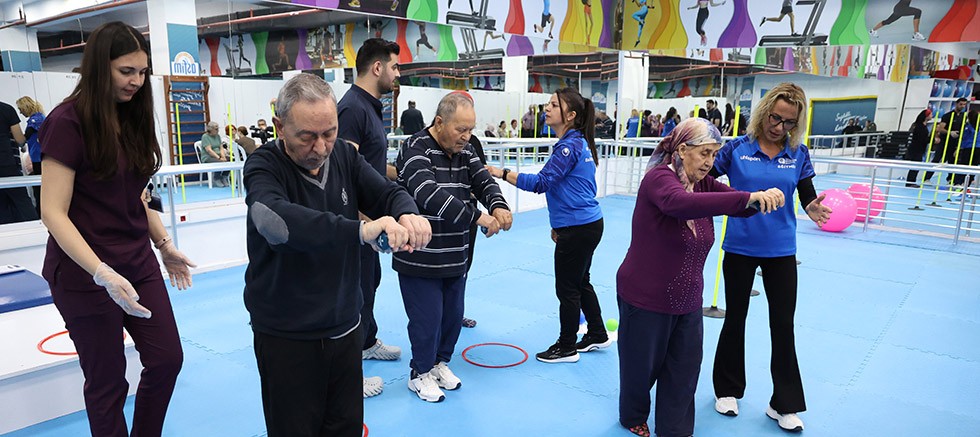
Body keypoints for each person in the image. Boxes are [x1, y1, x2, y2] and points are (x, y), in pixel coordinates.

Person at [243, 72, 430, 434]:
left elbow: (385, 192)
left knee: (345, 427)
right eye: (307, 136)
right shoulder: (264, 166)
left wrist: (407, 210)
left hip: (345, 326)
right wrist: (360, 230)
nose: (320, 147)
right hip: (287, 334)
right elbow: (275, 221)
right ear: (280, 126)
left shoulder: (343, 154)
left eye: (329, 132)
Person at [38, 21, 195, 436]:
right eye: (127, 71)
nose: (137, 82)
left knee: (167, 360)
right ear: (98, 67)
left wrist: (163, 243)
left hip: (137, 262)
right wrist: (100, 272)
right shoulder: (67, 122)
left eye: (143, 72)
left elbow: (137, 195)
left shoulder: (133, 117)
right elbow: (53, 212)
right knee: (107, 383)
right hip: (82, 273)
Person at [616, 117, 783, 437]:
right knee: (640, 368)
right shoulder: (659, 179)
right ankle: (632, 414)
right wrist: (746, 198)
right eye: (704, 153)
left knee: (683, 370)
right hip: (645, 296)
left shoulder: (703, 183)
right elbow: (678, 203)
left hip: (688, 299)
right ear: (682, 149)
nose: (710, 162)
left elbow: (734, 202)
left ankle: (675, 430)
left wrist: (760, 197)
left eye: (713, 154)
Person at [710, 83, 832, 433]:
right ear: (763, 112)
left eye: (789, 122)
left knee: (783, 325)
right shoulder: (735, 149)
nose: (779, 127)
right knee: (735, 319)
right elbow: (706, 180)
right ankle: (728, 389)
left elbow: (807, 195)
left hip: (781, 251)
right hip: (739, 247)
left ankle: (784, 404)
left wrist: (813, 208)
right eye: (775, 118)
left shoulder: (798, 153)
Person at [394, 92, 511, 402]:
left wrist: (498, 205)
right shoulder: (414, 147)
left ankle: (437, 364)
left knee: (451, 316)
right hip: (420, 255)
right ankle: (418, 373)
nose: (467, 136)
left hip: (455, 254)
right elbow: (427, 193)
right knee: (427, 319)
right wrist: (478, 217)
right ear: (439, 122)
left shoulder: (467, 149)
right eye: (461, 129)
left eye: (470, 129)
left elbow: (483, 180)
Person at [486, 87, 606, 364]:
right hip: (586, 225)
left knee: (567, 289)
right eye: (548, 103)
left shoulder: (567, 147)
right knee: (580, 282)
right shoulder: (579, 143)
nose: (547, 108)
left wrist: (500, 172)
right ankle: (597, 333)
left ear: (571, 116)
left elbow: (541, 183)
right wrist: (559, 225)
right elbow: (575, 188)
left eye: (554, 104)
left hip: (579, 228)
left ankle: (567, 346)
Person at [337, 37, 403, 397]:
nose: (397, 74)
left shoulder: (371, 106)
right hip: (359, 223)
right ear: (377, 67)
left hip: (373, 220)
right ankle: (349, 372)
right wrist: (366, 226)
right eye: (394, 66)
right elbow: (346, 174)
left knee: (370, 285)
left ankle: (367, 342)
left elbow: (372, 166)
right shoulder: (352, 108)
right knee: (355, 295)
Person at [923, 98, 969, 184]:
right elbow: (940, 129)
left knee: (952, 161)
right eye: (961, 104)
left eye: (964, 104)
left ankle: (950, 179)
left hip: (955, 142)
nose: (962, 106)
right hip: (944, 141)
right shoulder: (947, 115)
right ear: (956, 104)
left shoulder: (964, 116)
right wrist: (950, 132)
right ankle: (926, 178)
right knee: (936, 159)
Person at [18, 96, 45, 216]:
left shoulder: (35, 121)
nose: (20, 112)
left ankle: (40, 214)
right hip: (38, 157)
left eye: (20, 109)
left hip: (39, 159)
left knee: (40, 189)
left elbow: (23, 139)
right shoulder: (38, 118)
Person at [904, 109, 933, 187]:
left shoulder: (922, 126)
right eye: (930, 114)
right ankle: (910, 182)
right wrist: (932, 139)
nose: (931, 116)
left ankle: (911, 182)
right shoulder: (920, 127)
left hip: (919, 148)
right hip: (916, 149)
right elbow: (922, 139)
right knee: (915, 166)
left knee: (916, 166)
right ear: (926, 116)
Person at [200, 121, 230, 187]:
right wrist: (219, 158)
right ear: (211, 129)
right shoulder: (205, 137)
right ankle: (216, 178)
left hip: (218, 155)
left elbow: (221, 148)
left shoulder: (218, 136)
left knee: (230, 160)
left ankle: (224, 177)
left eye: (218, 128)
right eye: (216, 129)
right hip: (208, 157)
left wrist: (223, 156)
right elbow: (209, 150)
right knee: (220, 162)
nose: (218, 130)